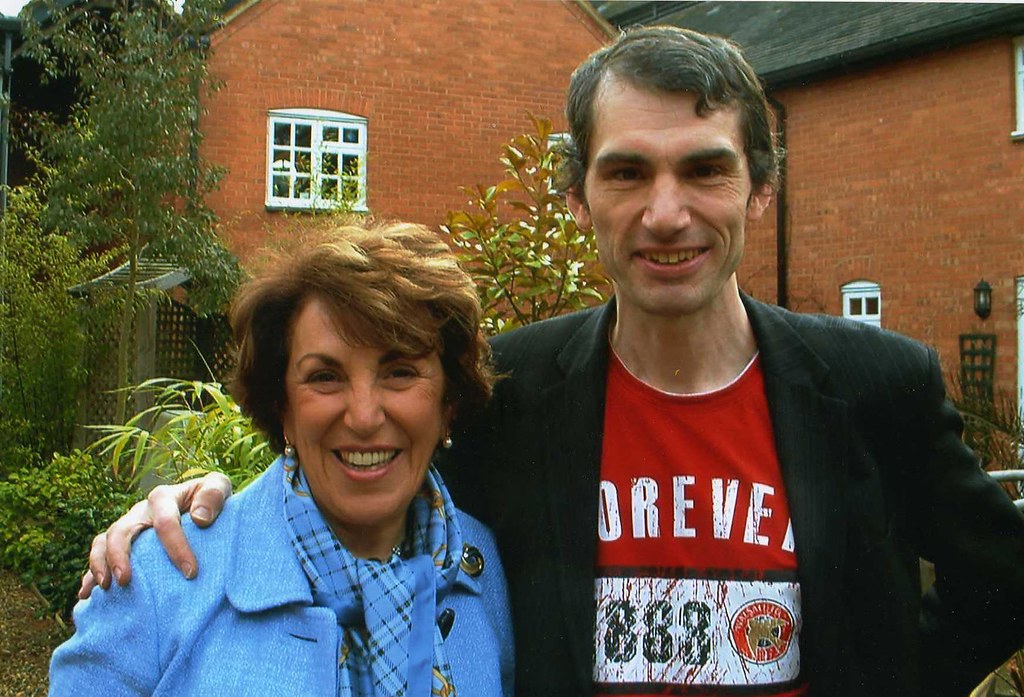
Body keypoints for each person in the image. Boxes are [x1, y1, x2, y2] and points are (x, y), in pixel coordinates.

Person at [80, 26, 1024, 697]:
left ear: (760, 188)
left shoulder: (873, 386)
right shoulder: (511, 392)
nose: (665, 212)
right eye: (626, 172)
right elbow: (362, 468)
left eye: (703, 169)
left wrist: (887, 673)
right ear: (578, 194)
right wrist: (198, 505)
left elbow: (1006, 574)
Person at [51, 221, 514, 695]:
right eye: (325, 377)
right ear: (282, 407)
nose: (363, 415)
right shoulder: (155, 579)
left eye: (399, 371)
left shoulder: (486, 571)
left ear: (448, 403)